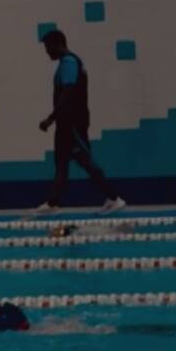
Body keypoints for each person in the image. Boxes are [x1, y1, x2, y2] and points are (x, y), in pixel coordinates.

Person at [34, 29, 126, 217]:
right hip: (65, 122)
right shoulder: (67, 63)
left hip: (72, 123)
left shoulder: (69, 62)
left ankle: (114, 198)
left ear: (58, 44)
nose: (46, 51)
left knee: (85, 161)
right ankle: (53, 202)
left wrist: (50, 119)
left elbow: (68, 94)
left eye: (48, 47)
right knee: (61, 163)